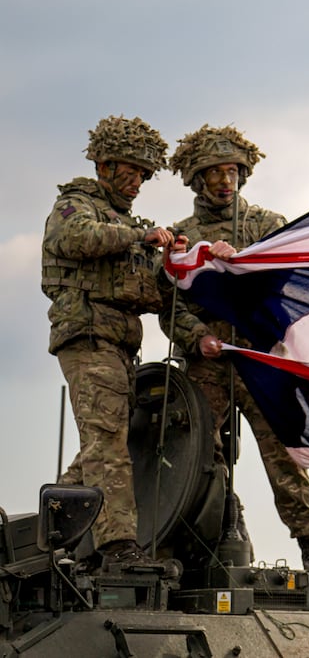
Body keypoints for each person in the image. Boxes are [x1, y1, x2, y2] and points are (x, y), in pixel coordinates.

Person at [164, 124, 309, 584]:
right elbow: (170, 309)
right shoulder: (182, 238)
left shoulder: (266, 226)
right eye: (215, 173)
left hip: (258, 355)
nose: (225, 181)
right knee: (199, 452)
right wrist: (197, 335)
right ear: (197, 179)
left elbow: (287, 286)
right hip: (209, 359)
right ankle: (219, 522)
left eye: (232, 172)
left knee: (282, 451)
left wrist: (241, 259)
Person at [42, 115, 179, 572]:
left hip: (118, 347)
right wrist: (139, 236)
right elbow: (74, 238)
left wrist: (174, 261)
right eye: (131, 171)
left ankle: (47, 539)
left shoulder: (126, 225)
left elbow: (152, 294)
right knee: (107, 444)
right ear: (104, 165)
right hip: (88, 338)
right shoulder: (75, 206)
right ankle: (118, 546)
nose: (137, 181)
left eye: (143, 174)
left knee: (98, 447)